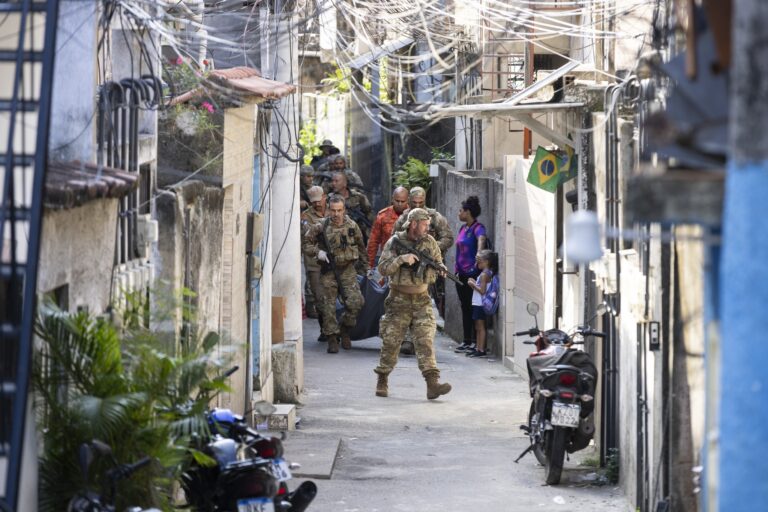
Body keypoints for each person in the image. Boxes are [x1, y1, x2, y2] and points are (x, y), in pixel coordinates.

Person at [373, 208, 452, 400]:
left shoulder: (430, 242)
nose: (427, 228)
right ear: (413, 224)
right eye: (424, 224)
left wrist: (441, 269)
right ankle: (382, 378)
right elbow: (382, 268)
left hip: (422, 299)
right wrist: (401, 259)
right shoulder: (395, 242)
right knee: (392, 341)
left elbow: (438, 262)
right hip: (398, 299)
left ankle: (432, 384)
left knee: (425, 340)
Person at [392, 186, 454, 353]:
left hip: (430, 266)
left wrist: (431, 250)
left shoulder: (434, 217)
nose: (417, 206)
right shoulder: (404, 218)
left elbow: (448, 237)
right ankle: (407, 339)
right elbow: (394, 241)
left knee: (428, 304)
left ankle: (422, 338)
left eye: (421, 202)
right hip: (409, 268)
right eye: (414, 203)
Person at [303, 195, 368, 353]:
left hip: (347, 270)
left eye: (339, 210)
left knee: (356, 303)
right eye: (333, 210)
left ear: (344, 209)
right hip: (329, 271)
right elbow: (306, 244)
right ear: (328, 209)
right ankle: (332, 338)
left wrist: (366, 269)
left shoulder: (352, 225)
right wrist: (317, 252)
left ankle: (344, 329)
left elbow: (361, 247)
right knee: (328, 307)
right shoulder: (320, 226)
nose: (336, 214)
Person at [454, 195, 488, 353]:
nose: (459, 213)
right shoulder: (463, 228)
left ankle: (475, 341)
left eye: (461, 211)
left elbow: (481, 239)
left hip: (472, 274)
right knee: (464, 307)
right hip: (460, 274)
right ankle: (466, 340)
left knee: (473, 307)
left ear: (467, 212)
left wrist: (479, 252)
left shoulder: (477, 227)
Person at [301, 185, 328, 340]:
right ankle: (325, 329)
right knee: (319, 297)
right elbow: (307, 237)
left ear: (324, 197)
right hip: (315, 262)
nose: (317, 204)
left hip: (334, 261)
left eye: (319, 200)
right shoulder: (306, 217)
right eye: (314, 202)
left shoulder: (334, 210)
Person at [465, 250, 498, 358]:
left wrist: (472, 284)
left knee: (480, 326)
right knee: (478, 326)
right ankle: (478, 348)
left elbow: (483, 291)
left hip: (480, 303)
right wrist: (475, 283)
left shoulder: (485, 274)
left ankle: (481, 349)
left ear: (487, 262)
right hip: (478, 302)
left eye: (479, 262)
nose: (477, 264)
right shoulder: (486, 273)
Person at [367, 186, 409, 269]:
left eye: (402, 201)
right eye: (397, 201)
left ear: (407, 200)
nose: (399, 204)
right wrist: (369, 265)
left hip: (408, 262)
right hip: (388, 261)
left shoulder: (413, 215)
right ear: (392, 199)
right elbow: (373, 241)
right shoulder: (383, 216)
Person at [331, 172, 373, 246]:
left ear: (345, 183)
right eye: (332, 181)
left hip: (358, 236)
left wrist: (369, 232)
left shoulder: (358, 196)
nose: (333, 183)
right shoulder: (330, 199)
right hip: (337, 236)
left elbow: (369, 213)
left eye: (336, 181)